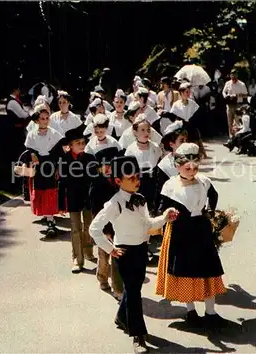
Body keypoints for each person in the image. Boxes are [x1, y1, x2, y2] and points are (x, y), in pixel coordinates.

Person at [89, 155, 178, 353]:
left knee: (133, 289)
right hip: (124, 253)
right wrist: (110, 248)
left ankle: (121, 317)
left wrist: (165, 217)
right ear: (118, 181)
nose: (137, 181)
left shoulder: (141, 199)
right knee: (135, 292)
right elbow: (94, 229)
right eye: (132, 178)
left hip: (140, 251)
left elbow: (147, 225)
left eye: (138, 177)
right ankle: (138, 336)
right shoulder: (115, 204)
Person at [156, 143, 226, 328]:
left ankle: (211, 312)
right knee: (186, 272)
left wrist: (211, 212)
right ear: (177, 166)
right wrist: (168, 214)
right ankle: (191, 311)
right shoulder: (170, 186)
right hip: (181, 233)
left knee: (208, 270)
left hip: (201, 230)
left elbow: (213, 195)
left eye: (195, 166)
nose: (192, 170)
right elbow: (161, 208)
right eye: (187, 167)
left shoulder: (204, 181)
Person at [58, 125, 96, 273]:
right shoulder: (64, 160)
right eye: (77, 143)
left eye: (83, 142)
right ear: (70, 145)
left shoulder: (90, 158)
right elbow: (61, 183)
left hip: (88, 198)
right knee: (75, 228)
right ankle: (77, 258)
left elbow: (95, 180)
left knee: (88, 226)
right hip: (73, 198)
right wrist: (61, 204)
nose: (81, 145)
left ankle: (88, 251)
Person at [24, 104, 64, 236]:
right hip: (39, 167)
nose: (45, 121)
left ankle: (51, 220)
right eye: (42, 118)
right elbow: (28, 150)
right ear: (36, 120)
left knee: (51, 192)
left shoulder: (54, 134)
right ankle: (48, 219)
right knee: (41, 192)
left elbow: (59, 153)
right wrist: (32, 154)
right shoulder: (31, 135)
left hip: (51, 166)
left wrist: (58, 167)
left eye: (47, 118)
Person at [89, 147, 122, 297]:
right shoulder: (96, 184)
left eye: (111, 165)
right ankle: (102, 278)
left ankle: (117, 288)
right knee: (103, 255)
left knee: (116, 257)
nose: (108, 168)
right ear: (99, 168)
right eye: (105, 165)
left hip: (119, 225)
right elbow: (95, 209)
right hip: (104, 226)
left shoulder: (119, 181)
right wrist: (104, 230)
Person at [125, 117, 162, 213]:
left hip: (152, 182)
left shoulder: (155, 147)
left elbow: (158, 161)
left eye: (148, 130)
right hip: (137, 181)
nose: (146, 133)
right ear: (135, 132)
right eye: (142, 130)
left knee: (151, 207)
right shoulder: (131, 149)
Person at [163, 82, 207, 158]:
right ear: (181, 93)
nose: (188, 93)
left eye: (189, 92)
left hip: (191, 128)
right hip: (181, 129)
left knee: (195, 147)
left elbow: (198, 115)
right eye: (186, 92)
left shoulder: (193, 104)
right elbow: (174, 117)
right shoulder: (176, 104)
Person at [154, 120, 188, 207]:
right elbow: (161, 192)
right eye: (181, 141)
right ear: (172, 144)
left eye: (186, 140)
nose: (185, 144)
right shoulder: (164, 165)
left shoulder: (190, 159)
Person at [222, 69, 248, 138]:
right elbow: (223, 92)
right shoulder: (228, 83)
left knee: (237, 122)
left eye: (235, 75)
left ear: (237, 75)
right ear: (230, 76)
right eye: (232, 75)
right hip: (229, 104)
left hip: (238, 105)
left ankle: (238, 137)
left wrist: (238, 95)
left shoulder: (241, 84)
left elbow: (245, 95)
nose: (233, 76)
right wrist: (226, 96)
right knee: (229, 122)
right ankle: (231, 138)